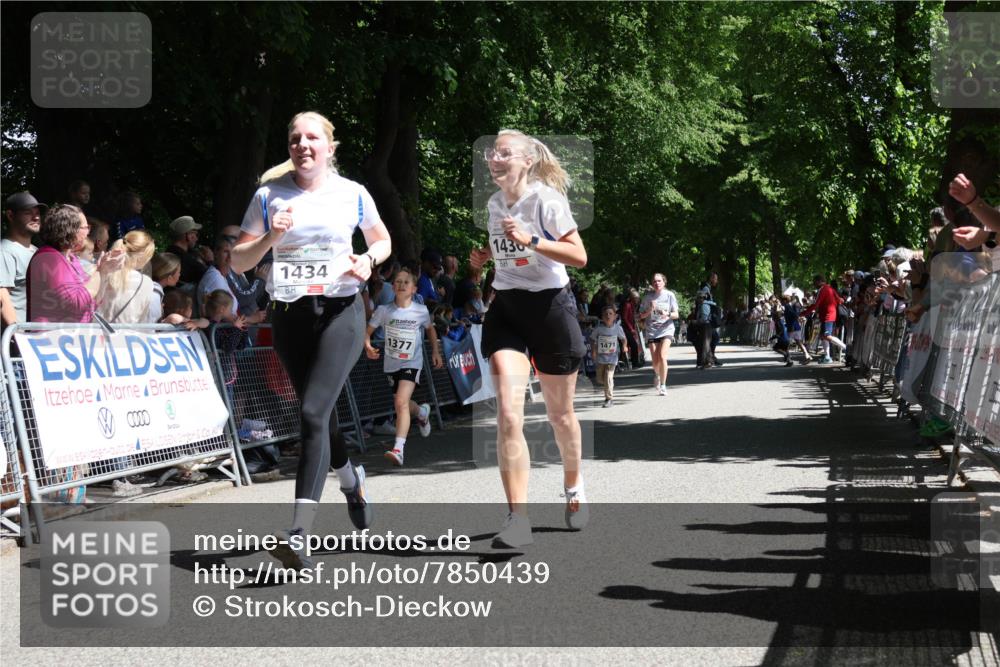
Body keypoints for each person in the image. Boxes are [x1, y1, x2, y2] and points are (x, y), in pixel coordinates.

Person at [231, 111, 391, 570]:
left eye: (313, 138)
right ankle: (350, 480)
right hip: (289, 315)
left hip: (341, 310)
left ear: (330, 147)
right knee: (320, 414)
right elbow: (241, 260)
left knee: (312, 412)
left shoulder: (352, 193)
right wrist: (271, 237)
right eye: (295, 138)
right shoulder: (268, 195)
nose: (303, 144)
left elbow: (382, 241)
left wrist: (367, 260)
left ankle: (299, 533)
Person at [470, 129, 589, 548]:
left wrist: (533, 240)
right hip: (508, 310)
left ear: (525, 161)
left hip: (550, 309)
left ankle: (573, 487)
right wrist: (485, 258)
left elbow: (579, 255)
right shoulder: (493, 204)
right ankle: (517, 519)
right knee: (507, 413)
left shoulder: (546, 201)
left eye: (504, 152)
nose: (494, 158)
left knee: (560, 417)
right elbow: (504, 251)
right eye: (492, 152)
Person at [364, 266, 443, 467]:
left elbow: (431, 331)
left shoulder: (420, 311)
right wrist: (367, 345)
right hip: (391, 364)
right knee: (403, 404)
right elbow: (368, 331)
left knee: (400, 402)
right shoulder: (383, 311)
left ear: (414, 289)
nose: (401, 285)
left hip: (412, 362)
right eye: (397, 281)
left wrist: (435, 352)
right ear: (393, 286)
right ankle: (422, 413)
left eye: (406, 282)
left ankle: (398, 449)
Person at [1, 192, 45, 330]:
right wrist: (17, 335)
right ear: (10, 215)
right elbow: (2, 298)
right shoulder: (5, 251)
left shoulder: (37, 251)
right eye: (28, 212)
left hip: (37, 338)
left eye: (38, 212)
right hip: (17, 341)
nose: (36, 217)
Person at [96, 230, 155, 325]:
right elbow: (143, 320)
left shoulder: (99, 270)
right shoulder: (146, 283)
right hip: (124, 337)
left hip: (92, 334)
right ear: (142, 257)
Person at [638, 273, 679, 395]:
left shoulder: (670, 295)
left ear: (664, 282)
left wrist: (667, 314)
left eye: (659, 281)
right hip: (652, 331)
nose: (657, 283)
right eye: (655, 281)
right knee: (655, 362)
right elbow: (640, 316)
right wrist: (650, 310)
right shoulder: (647, 298)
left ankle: (663, 386)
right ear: (652, 283)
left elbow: (676, 314)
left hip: (666, 329)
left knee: (662, 356)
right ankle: (657, 374)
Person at [801, 274, 846, 364]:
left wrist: (804, 313)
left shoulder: (822, 290)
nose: (814, 284)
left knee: (826, 336)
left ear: (819, 281)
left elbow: (816, 304)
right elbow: (840, 300)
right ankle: (827, 356)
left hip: (827, 316)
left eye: (814, 282)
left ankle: (846, 348)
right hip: (830, 315)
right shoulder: (830, 289)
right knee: (823, 336)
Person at [590, 305, 628, 407]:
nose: (608, 316)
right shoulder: (599, 329)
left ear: (615, 316)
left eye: (610, 314)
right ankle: (609, 383)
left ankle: (609, 399)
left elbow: (623, 339)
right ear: (602, 317)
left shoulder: (618, 328)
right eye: (606, 314)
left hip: (612, 357)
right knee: (600, 379)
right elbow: (592, 339)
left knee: (608, 375)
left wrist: (624, 346)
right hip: (601, 358)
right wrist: (593, 351)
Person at [166, 216, 210, 285]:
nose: (196, 239)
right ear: (189, 236)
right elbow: (211, 278)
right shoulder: (186, 259)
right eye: (195, 234)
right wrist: (210, 260)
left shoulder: (168, 253)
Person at [698, 272, 724, 367]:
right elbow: (701, 300)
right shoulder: (705, 288)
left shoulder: (707, 288)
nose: (716, 281)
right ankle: (706, 361)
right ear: (711, 278)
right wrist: (714, 304)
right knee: (707, 340)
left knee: (714, 338)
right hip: (706, 318)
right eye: (715, 279)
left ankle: (710, 358)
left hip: (707, 317)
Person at [150, 252, 181, 323]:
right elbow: (149, 327)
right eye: (178, 272)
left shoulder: (150, 289)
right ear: (169, 278)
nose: (179, 275)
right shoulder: (154, 295)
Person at [621, 289, 643, 369]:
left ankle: (631, 362)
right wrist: (631, 329)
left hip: (629, 328)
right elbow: (625, 318)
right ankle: (634, 363)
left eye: (638, 298)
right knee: (633, 345)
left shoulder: (633, 305)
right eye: (636, 298)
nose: (637, 299)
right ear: (632, 298)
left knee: (631, 345)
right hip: (626, 328)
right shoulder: (627, 305)